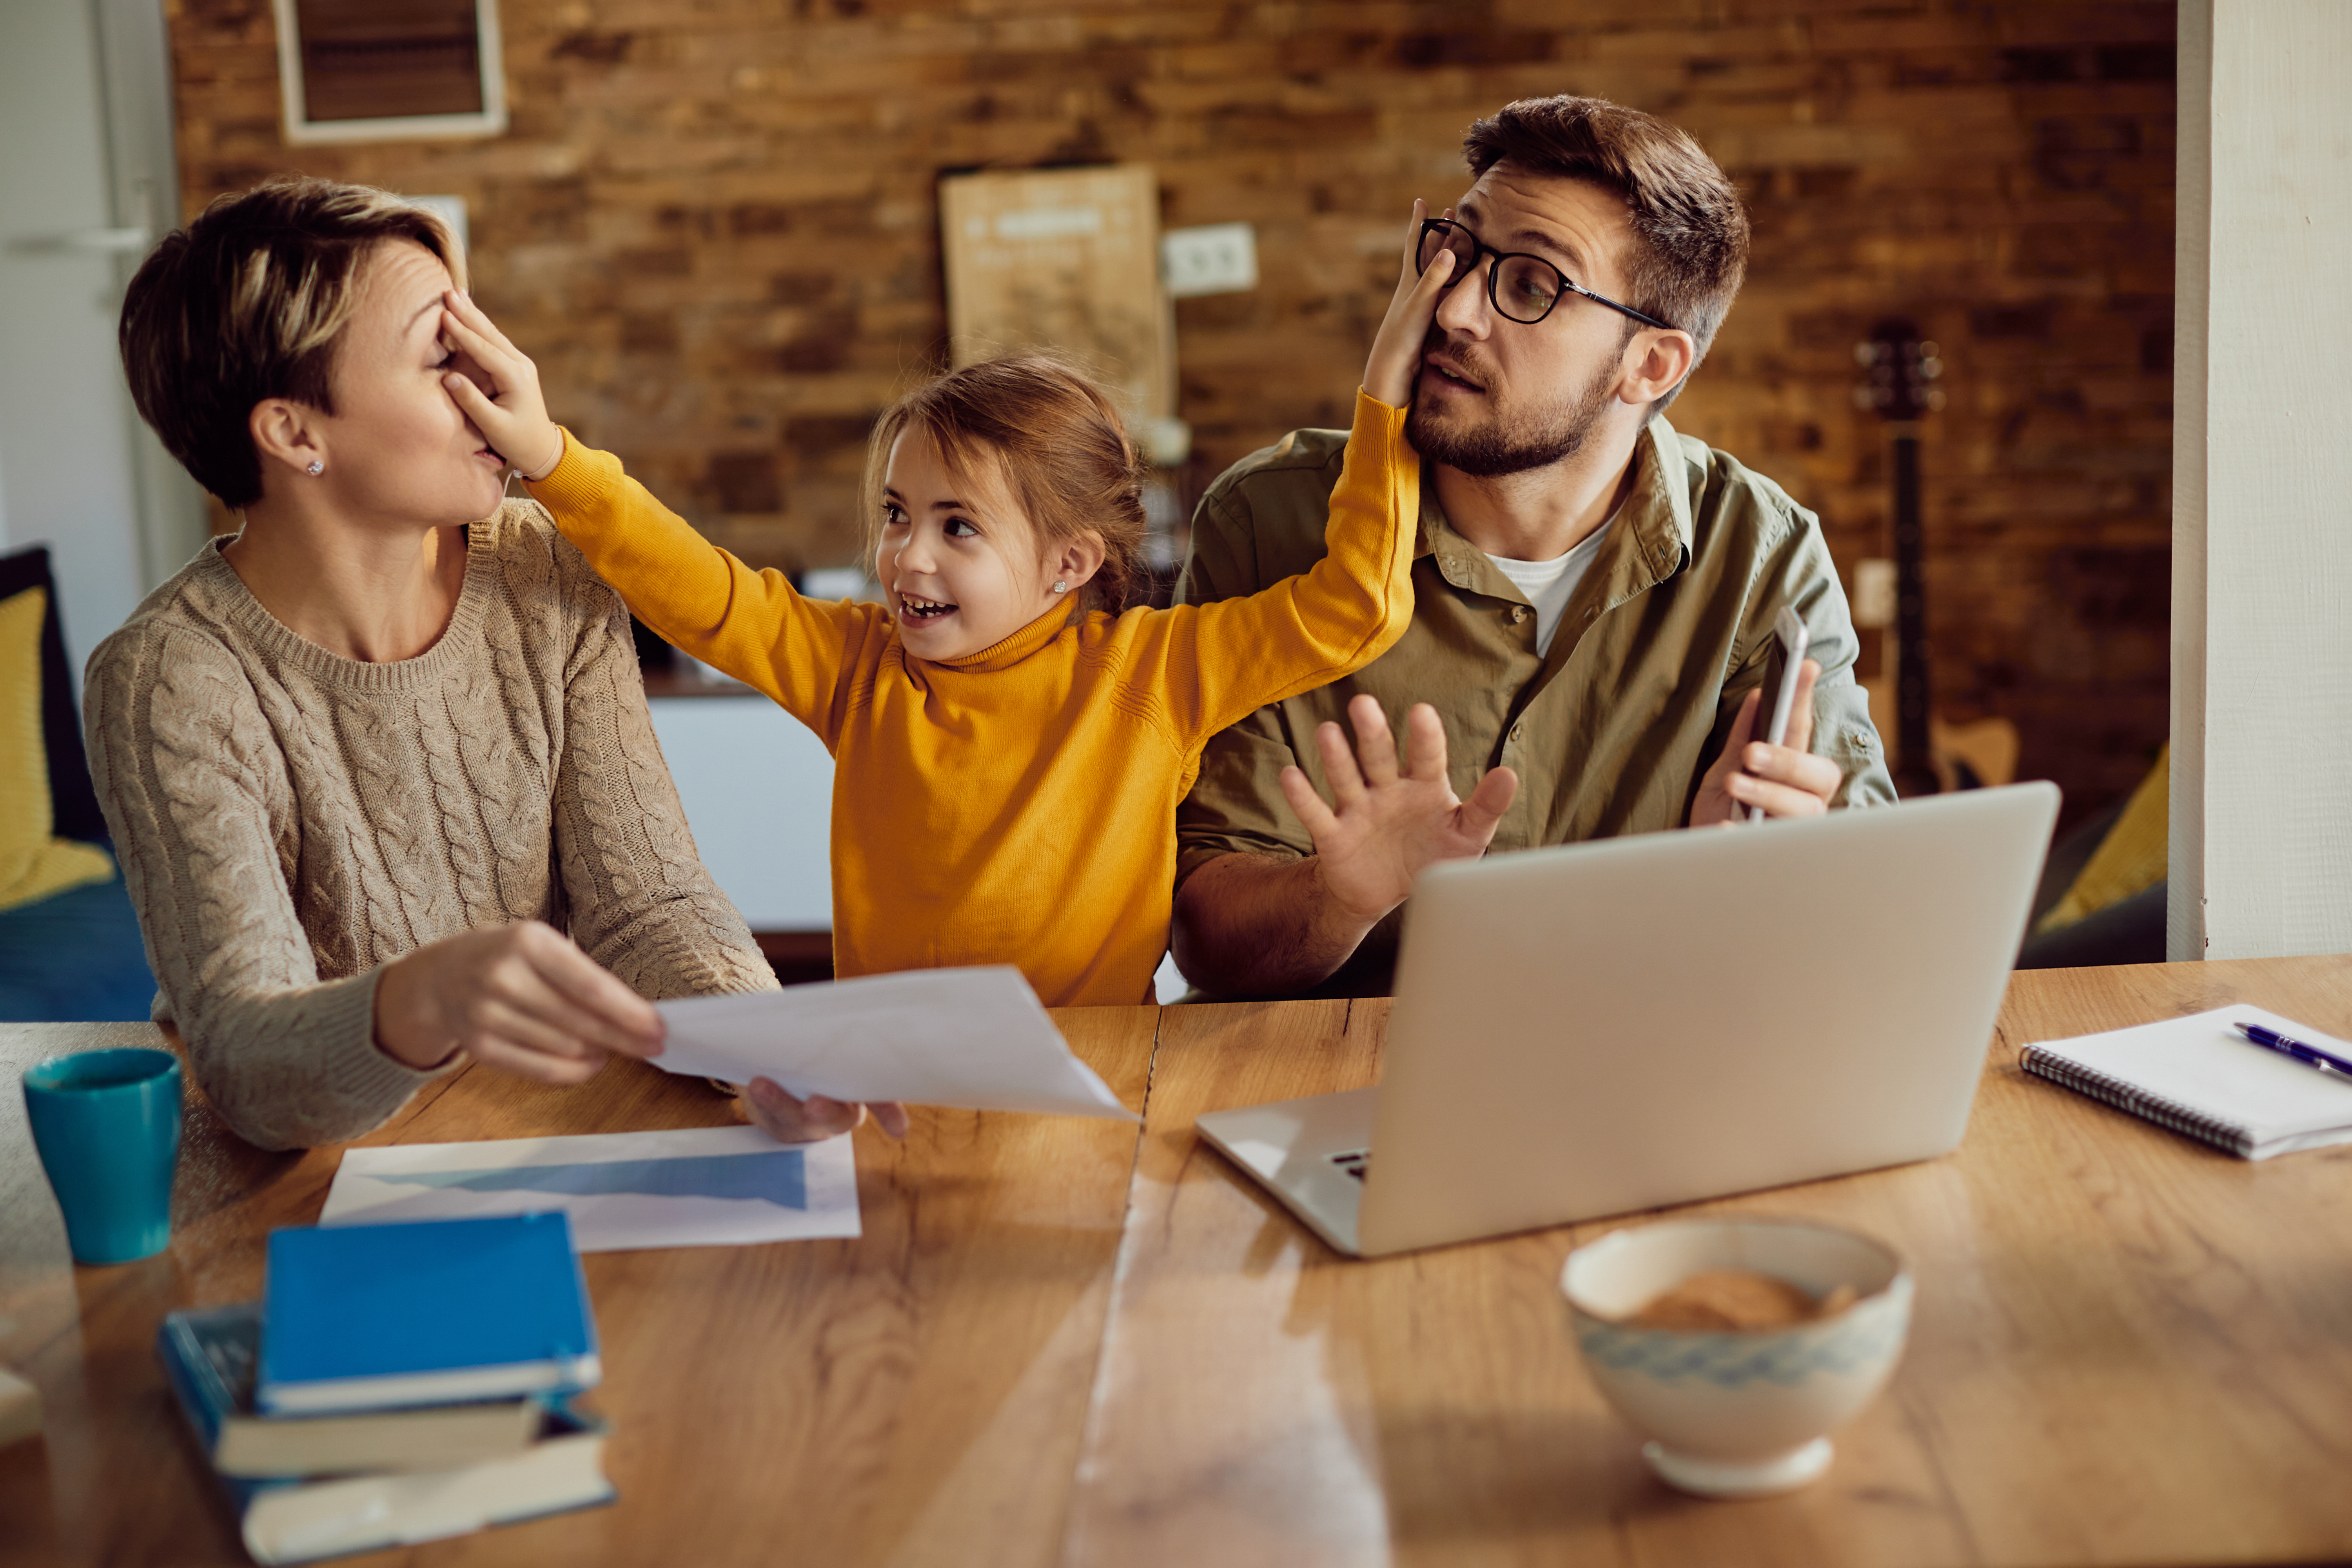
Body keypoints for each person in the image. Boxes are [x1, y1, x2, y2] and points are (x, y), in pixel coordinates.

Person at [432, 202, 1453, 1132]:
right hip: (894, 1105)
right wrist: (555, 461)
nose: (908, 557)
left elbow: (1358, 604)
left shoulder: (1156, 673)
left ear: (1069, 563)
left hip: (1090, 1098)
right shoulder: (858, 666)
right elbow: (704, 590)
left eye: (957, 527)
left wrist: (1385, 396)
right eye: (897, 514)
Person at [89, 177, 816, 1152]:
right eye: (445, 355)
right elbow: (246, 1061)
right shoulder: (166, 680)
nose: (507, 383)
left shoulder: (543, 562)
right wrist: (419, 998)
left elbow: (648, 903)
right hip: (310, 1179)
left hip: (540, 1130)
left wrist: (768, 1043)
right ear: (296, 433)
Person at [1171, 95, 1897, 1000]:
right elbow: (1204, 933)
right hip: (1334, 1081)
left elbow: (1867, 925)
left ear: (1652, 365)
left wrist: (1747, 879)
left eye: (1530, 284)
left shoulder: (1762, 555)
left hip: (1639, 1072)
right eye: (1457, 251)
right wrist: (1336, 898)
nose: (1456, 310)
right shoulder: (1265, 523)